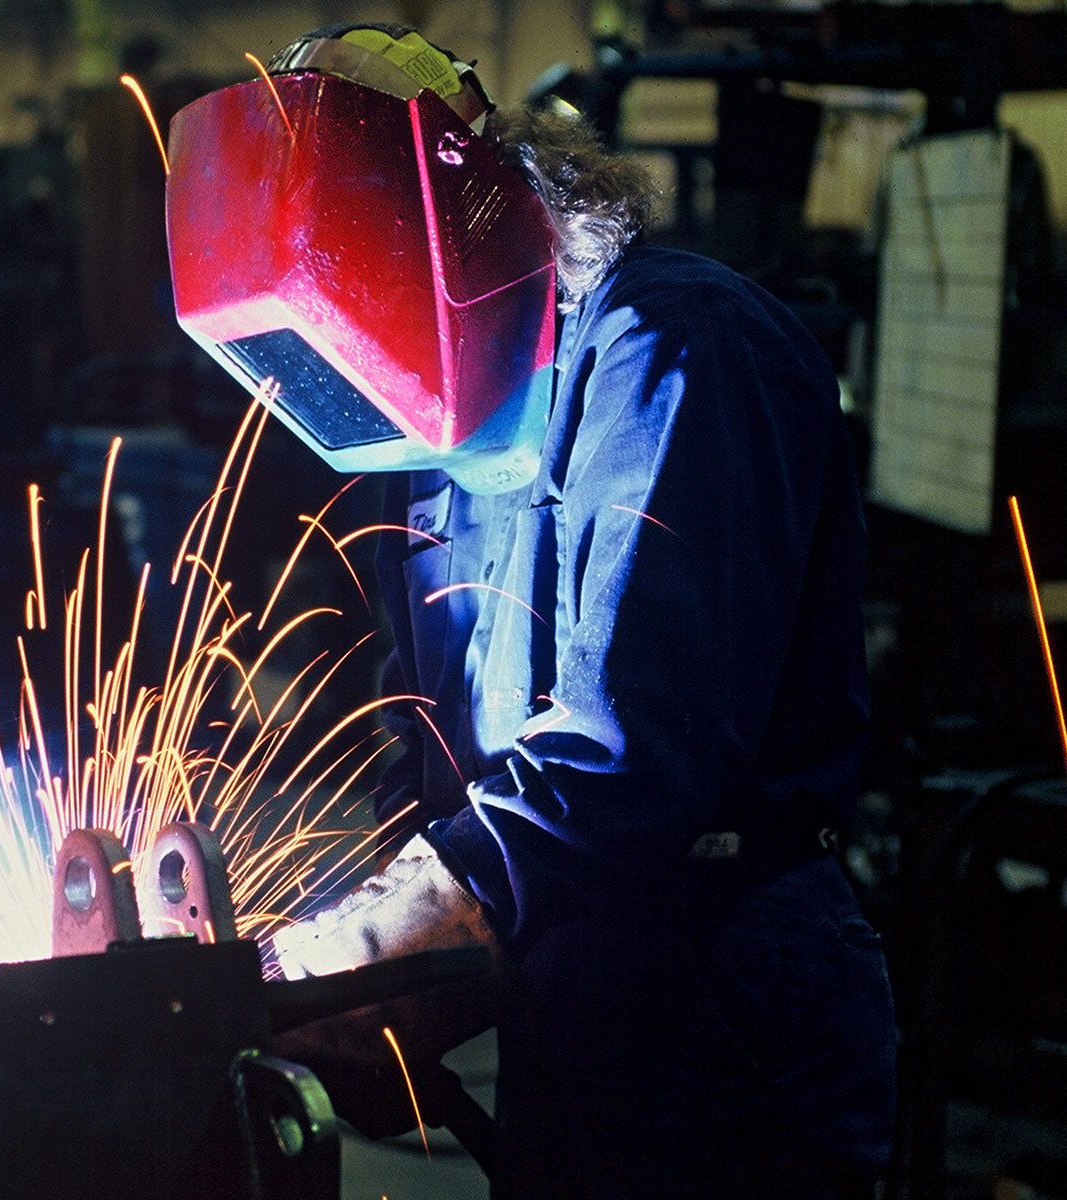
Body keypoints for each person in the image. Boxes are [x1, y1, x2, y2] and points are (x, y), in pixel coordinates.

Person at [166, 23, 897, 1199]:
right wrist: (382, 983)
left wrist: (381, 941)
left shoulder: (671, 352)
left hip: (726, 981)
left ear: (453, 221)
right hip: (573, 983)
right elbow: (442, 752)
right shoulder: (446, 423)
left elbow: (639, 746)